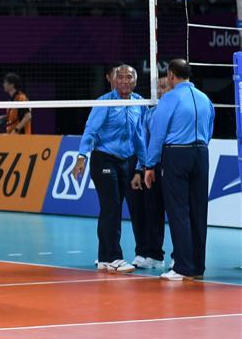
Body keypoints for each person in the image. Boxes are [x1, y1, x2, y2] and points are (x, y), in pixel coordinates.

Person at [143, 59, 214, 280]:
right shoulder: (205, 98)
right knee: (198, 212)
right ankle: (198, 268)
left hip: (176, 155)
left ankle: (182, 267)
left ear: (172, 75)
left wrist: (149, 164)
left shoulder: (169, 98)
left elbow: (158, 134)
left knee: (178, 212)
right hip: (201, 154)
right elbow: (210, 128)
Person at [73, 65, 146, 273]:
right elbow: (90, 131)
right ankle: (114, 257)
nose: (124, 80)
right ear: (113, 80)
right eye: (120, 77)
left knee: (111, 209)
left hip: (126, 161)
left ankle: (103, 257)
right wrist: (81, 157)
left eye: (128, 77)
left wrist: (142, 166)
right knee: (111, 207)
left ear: (135, 80)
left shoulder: (139, 103)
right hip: (103, 160)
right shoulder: (105, 102)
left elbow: (139, 136)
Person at [129, 73, 168, 270]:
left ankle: (180, 257)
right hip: (151, 167)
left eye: (164, 86)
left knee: (177, 213)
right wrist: (140, 169)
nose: (160, 90)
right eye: (158, 87)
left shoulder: (173, 110)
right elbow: (143, 142)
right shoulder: (149, 113)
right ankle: (154, 255)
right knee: (152, 211)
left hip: (171, 166)